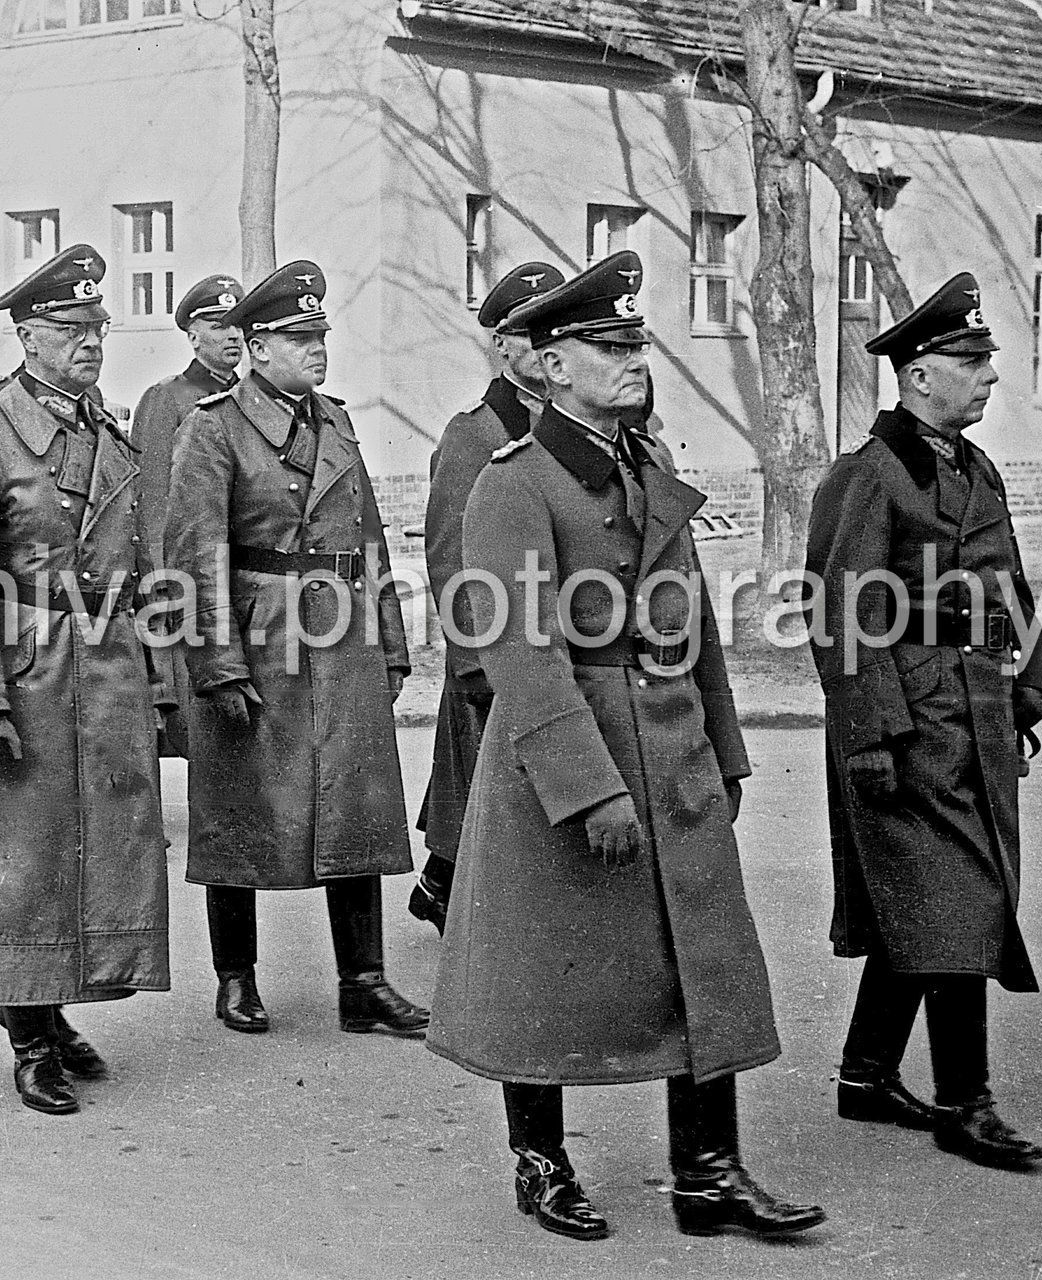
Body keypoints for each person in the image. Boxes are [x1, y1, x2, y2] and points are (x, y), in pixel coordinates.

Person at [426, 252, 825, 1243]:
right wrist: (587, 789)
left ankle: (710, 1171)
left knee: (704, 953)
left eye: (636, 342)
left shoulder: (651, 471)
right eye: (609, 347)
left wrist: (725, 747)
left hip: (673, 743)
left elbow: (693, 624)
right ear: (554, 366)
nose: (632, 359)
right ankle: (540, 1158)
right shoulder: (511, 485)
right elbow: (521, 648)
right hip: (569, 761)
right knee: (541, 965)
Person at [804, 271, 1042, 1171]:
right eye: (971, 361)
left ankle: (867, 1076)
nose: (989, 377)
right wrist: (869, 736)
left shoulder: (972, 464)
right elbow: (840, 610)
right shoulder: (870, 476)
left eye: (987, 360)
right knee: (961, 900)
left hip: (975, 704)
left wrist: (1027, 686)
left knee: (937, 900)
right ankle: (967, 1101)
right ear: (918, 375)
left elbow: (1008, 581)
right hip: (908, 718)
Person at [0, 244, 171, 1116]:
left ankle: (56, 1008)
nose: (90, 343)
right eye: (71, 330)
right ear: (28, 339)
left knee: (94, 847)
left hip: (104, 661)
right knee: (23, 853)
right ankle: (28, 1034)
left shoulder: (107, 433)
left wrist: (158, 669)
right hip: (26, 668)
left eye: (97, 328)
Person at [166, 260, 426, 1039]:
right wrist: (215, 663)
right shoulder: (212, 427)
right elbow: (193, 553)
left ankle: (364, 984)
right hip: (260, 633)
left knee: (356, 808)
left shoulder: (337, 421)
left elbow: (369, 537)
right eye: (300, 338)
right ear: (255, 347)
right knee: (238, 810)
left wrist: (390, 641)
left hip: (341, 635)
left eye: (322, 336)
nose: (318, 351)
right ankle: (236, 979)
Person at [409, 260, 563, 933]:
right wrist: (474, 661)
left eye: (555, 331)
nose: (544, 347)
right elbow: (450, 557)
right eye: (528, 333)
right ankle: (456, 902)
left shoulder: (571, 421)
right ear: (500, 344)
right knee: (489, 789)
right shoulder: (475, 433)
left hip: (553, 639)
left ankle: (442, 886)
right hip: (492, 651)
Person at [128, 273, 243, 758]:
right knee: (203, 722)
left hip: (243, 578)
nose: (232, 335)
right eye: (218, 325)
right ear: (192, 336)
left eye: (238, 324)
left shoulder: (252, 400)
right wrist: (167, 589)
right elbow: (152, 504)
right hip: (191, 582)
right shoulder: (167, 400)